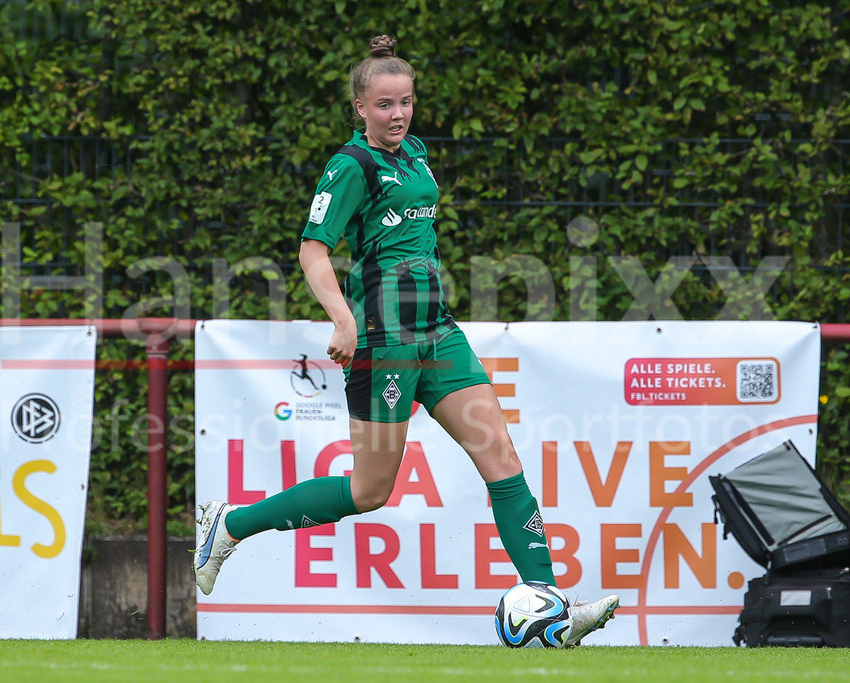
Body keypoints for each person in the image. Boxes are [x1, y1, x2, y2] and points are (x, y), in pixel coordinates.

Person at [194, 34, 619, 646]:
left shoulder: (415, 156)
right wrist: (343, 319)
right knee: (369, 492)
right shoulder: (351, 166)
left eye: (407, 102)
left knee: (500, 457)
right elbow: (313, 249)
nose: (399, 115)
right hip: (382, 343)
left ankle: (550, 602)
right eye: (386, 105)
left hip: (438, 334)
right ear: (361, 108)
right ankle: (231, 525)